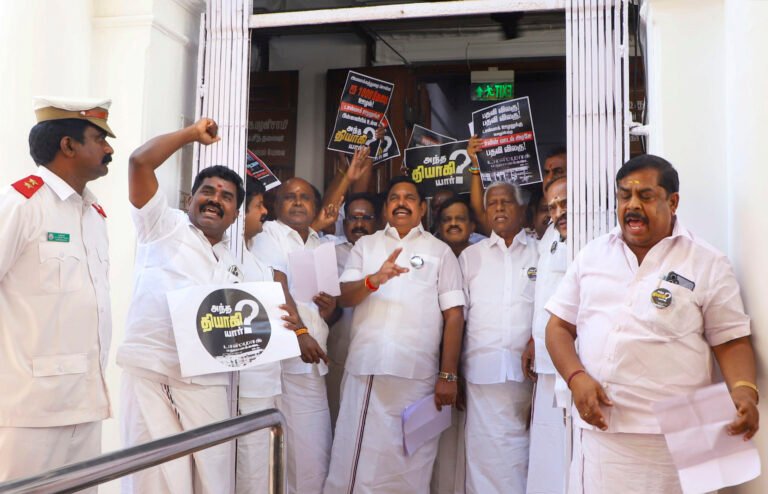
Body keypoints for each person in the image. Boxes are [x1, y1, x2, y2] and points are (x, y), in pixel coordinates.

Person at [546, 154, 759, 493]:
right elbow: (558, 327)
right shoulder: (593, 255)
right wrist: (576, 377)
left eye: (645, 196)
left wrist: (745, 391)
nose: (632, 205)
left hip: (684, 438)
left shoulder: (707, 262)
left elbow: (730, 340)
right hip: (607, 436)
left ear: (672, 202)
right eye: (624, 196)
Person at [118, 119, 299, 493]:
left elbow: (236, 328)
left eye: (227, 196)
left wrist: (280, 325)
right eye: (208, 191)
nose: (216, 198)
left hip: (207, 384)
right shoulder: (163, 226)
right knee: (157, 480)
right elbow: (139, 163)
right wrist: (189, 135)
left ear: (235, 215)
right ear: (190, 200)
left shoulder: (231, 265)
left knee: (212, 478)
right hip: (154, 374)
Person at [324, 176, 465, 493]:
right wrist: (374, 280)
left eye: (409, 197)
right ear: (386, 207)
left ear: (422, 207)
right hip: (369, 369)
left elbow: (454, 314)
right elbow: (344, 297)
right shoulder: (367, 245)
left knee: (411, 462)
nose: (401, 202)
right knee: (356, 459)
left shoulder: (440, 251)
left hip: (420, 376)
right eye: (394, 197)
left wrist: (448, 375)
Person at [0, 97, 115, 484]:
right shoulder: (22, 204)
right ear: (67, 146)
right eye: (98, 139)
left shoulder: (94, 214)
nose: (109, 149)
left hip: (85, 402)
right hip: (28, 408)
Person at [250, 177, 336, 494]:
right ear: (276, 205)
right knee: (306, 449)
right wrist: (300, 331)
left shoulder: (318, 242)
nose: (298, 202)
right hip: (288, 354)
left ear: (314, 205)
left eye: (305, 197)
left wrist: (328, 306)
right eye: (289, 196)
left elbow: (321, 303)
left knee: (310, 447)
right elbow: (276, 284)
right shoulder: (270, 233)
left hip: (311, 355)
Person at [459, 182, 538, 493]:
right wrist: (450, 373)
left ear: (522, 210)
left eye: (507, 202)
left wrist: (535, 342)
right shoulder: (470, 257)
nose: (500, 208)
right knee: (483, 457)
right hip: (481, 373)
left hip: (529, 376)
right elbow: (458, 319)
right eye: (493, 203)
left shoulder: (541, 250)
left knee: (527, 453)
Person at [237, 176, 306, 493]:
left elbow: (278, 289)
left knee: (263, 468)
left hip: (266, 381)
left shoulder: (253, 257)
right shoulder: (229, 257)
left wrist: (296, 322)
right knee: (248, 469)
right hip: (243, 385)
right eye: (258, 206)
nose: (263, 212)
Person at [526, 175, 569, 494]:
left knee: (572, 453)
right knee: (547, 451)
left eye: (565, 203)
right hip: (544, 364)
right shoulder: (551, 234)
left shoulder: (598, 235)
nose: (558, 212)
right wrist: (532, 339)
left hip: (575, 366)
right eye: (552, 206)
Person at [326, 192, 379, 428]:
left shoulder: (387, 252)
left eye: (366, 217)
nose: (359, 224)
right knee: (338, 419)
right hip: (339, 351)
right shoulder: (329, 252)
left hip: (377, 356)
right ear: (344, 223)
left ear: (377, 221)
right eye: (353, 218)